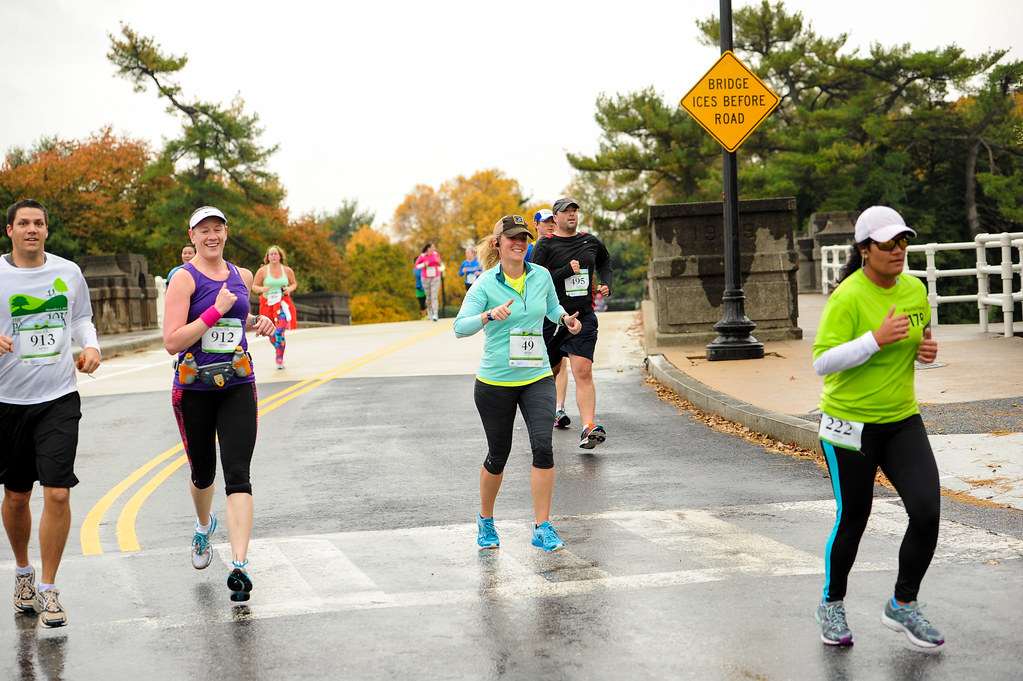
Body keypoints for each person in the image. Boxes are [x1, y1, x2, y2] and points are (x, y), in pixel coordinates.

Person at [812, 206, 944, 649]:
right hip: (849, 425)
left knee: (926, 511)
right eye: (888, 244)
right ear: (865, 250)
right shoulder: (848, 297)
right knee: (854, 517)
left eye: (903, 241)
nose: (898, 251)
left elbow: (918, 344)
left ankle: (903, 605)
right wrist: (874, 340)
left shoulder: (914, 288)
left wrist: (926, 354)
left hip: (902, 418)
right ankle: (831, 604)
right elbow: (822, 362)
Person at [163, 205, 275, 602]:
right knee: (203, 473)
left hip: (238, 384)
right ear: (192, 237)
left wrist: (258, 322)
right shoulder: (183, 279)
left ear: (226, 233)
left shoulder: (242, 276)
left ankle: (240, 565)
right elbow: (173, 341)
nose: (211, 236)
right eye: (203, 230)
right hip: (194, 390)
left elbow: (236, 320)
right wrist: (216, 310)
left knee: (238, 475)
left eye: (217, 229)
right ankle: (202, 524)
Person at [0, 199, 101, 627]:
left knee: (58, 492)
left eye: (39, 223)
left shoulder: (68, 272)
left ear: (46, 230)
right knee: (17, 496)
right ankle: (23, 571)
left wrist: (91, 345)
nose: (32, 229)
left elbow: (80, 318)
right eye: (23, 223)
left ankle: (49, 588)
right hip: (7, 401)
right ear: (10, 230)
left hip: (59, 396)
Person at [454, 215, 581, 552]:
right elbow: (459, 327)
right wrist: (487, 315)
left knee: (543, 446)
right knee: (499, 454)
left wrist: (566, 319)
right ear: (498, 244)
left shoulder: (540, 276)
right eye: (511, 238)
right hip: (495, 381)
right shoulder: (484, 284)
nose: (519, 243)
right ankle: (486, 520)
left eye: (524, 238)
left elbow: (552, 308)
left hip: (537, 375)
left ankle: (542, 526)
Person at [529, 198, 613, 449]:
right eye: (566, 212)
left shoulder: (590, 241)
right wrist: (566, 270)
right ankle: (544, 417)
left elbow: (605, 262)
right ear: (555, 218)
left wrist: (606, 282)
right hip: (551, 319)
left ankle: (588, 427)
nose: (572, 215)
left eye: (574, 211)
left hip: (583, 316)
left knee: (583, 371)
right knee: (551, 373)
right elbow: (534, 280)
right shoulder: (546, 244)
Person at [528, 208, 572, 428]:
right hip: (538, 312)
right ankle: (538, 406)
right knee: (543, 363)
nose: (550, 225)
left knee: (562, 362)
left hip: (559, 308)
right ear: (536, 225)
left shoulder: (563, 245)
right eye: (545, 222)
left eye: (551, 221)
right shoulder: (528, 250)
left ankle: (559, 408)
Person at [252, 245, 297, 370]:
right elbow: (254, 286)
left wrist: (289, 289)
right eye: (271, 254)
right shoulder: (263, 271)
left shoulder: (287, 270)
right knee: (272, 335)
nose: (273, 256)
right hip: (268, 304)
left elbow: (294, 284)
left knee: (279, 332)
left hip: (282, 304)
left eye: (275, 254)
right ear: (267, 257)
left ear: (280, 256)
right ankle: (279, 352)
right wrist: (262, 289)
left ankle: (279, 359)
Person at [415, 242, 443, 321]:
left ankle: (435, 313)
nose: (434, 248)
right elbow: (416, 266)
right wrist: (424, 264)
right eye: (433, 247)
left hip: (435, 277)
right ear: (428, 248)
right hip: (425, 278)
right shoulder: (422, 256)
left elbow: (441, 265)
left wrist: (439, 262)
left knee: (434, 296)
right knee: (428, 296)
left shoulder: (436, 254)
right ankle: (429, 310)